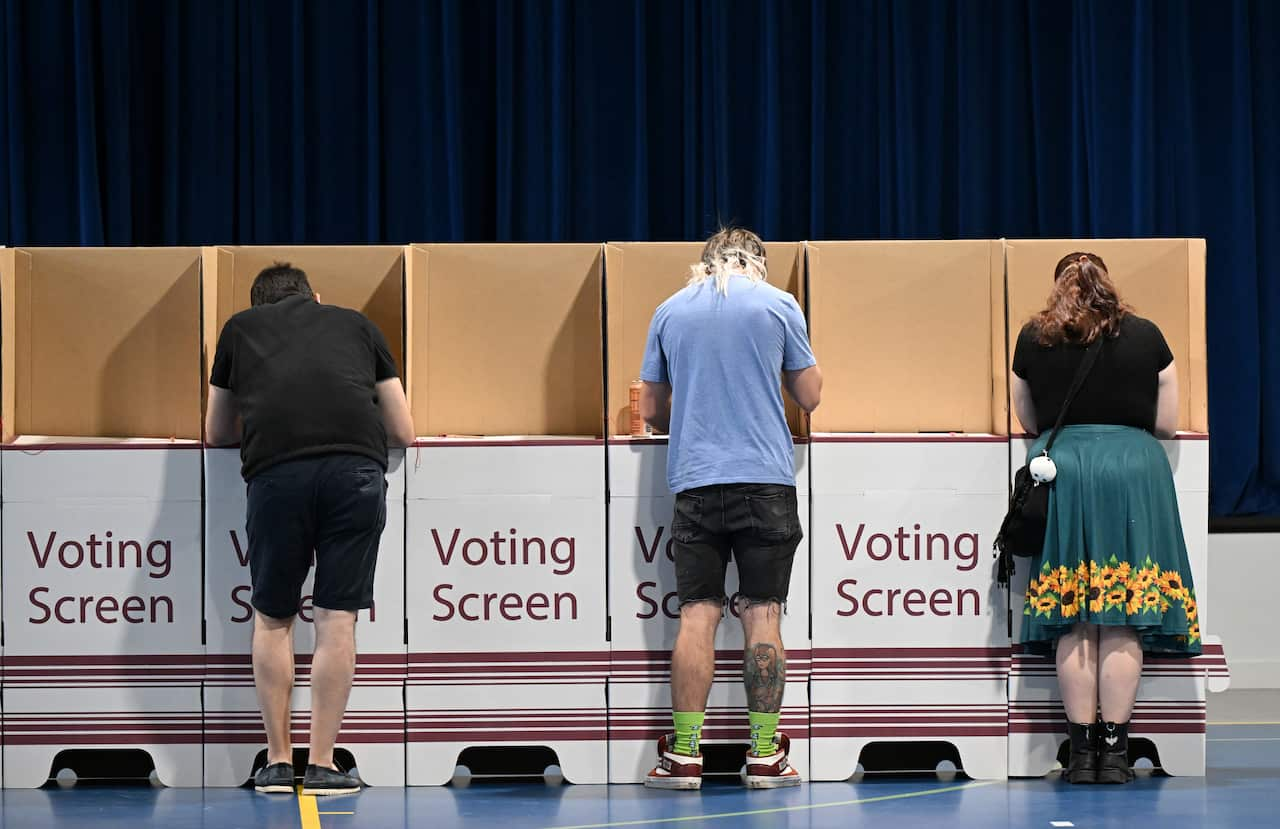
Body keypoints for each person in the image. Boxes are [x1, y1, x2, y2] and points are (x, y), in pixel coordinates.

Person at [205, 263, 415, 796]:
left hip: (278, 476)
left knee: (273, 619)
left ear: (259, 306)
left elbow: (215, 432)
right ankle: (322, 765)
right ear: (315, 296)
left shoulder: (238, 329)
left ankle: (277, 763)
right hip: (355, 475)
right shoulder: (359, 324)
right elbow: (403, 430)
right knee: (336, 620)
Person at [637, 228, 822, 790]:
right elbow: (810, 396)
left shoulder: (670, 310)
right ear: (758, 263)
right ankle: (765, 755)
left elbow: (650, 408)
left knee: (697, 614)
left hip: (696, 482)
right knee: (763, 614)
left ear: (705, 262)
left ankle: (686, 755)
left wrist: (694, 415)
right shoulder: (779, 305)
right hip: (765, 481)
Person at [1010, 252, 1200, 785]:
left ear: (1058, 288)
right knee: (1121, 613)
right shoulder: (1147, 335)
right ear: (1107, 283)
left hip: (1064, 469)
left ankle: (1080, 753)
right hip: (1133, 471)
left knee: (1073, 616)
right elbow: (1166, 422)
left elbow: (1027, 417)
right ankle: (1115, 754)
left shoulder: (1032, 338)